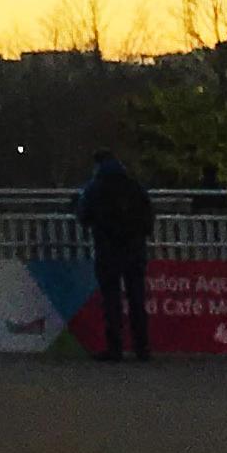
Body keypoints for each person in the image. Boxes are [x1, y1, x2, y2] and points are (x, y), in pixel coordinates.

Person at [73, 152, 155, 361]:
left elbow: (84, 215)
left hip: (108, 251)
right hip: (135, 250)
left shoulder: (95, 188)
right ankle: (142, 348)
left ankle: (115, 348)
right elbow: (148, 219)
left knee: (111, 300)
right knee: (136, 298)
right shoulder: (134, 187)